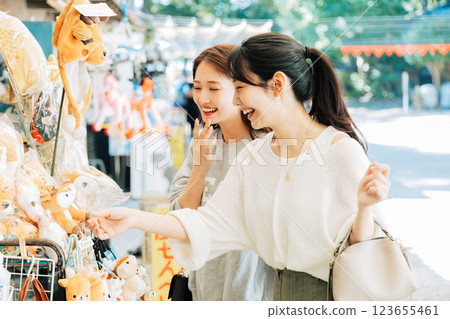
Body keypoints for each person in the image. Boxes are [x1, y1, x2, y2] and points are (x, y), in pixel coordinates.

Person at [87, 33, 391, 301]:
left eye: (240, 87)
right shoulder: (255, 157)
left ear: (277, 85)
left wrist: (364, 209)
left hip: (329, 298)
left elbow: (368, 253)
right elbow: (207, 223)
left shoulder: (341, 152)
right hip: (274, 299)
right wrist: (133, 218)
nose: (236, 99)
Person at [168, 44, 274, 301]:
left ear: (240, 91)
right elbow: (180, 219)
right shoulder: (202, 142)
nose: (203, 99)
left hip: (255, 293)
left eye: (214, 88)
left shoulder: (269, 144)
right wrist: (199, 169)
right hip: (203, 290)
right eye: (197, 87)